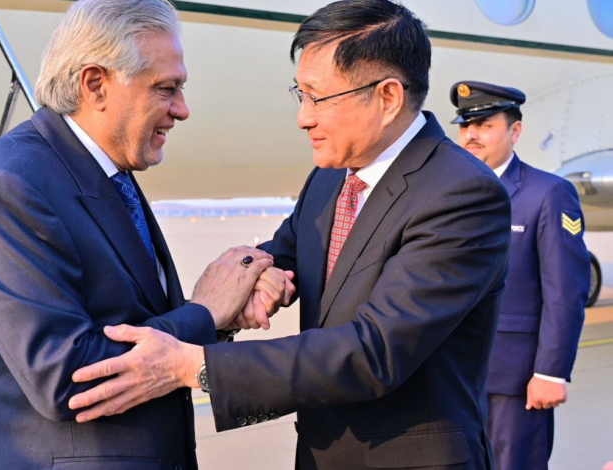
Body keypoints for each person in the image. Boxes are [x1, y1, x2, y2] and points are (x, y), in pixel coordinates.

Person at [66, 1, 513, 469]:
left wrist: (192, 364)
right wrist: (250, 280)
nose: (303, 117)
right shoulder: (332, 175)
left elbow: (376, 351)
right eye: (300, 94)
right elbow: (282, 257)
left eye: (318, 98)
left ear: (387, 98)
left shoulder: (461, 194)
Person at [0, 1, 291, 469]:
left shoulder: (102, 168)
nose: (182, 110)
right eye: (165, 89)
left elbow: (130, 320)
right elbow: (67, 377)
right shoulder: (9, 184)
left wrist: (221, 315)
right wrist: (204, 312)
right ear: (95, 85)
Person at [451, 80, 589, 470]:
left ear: (515, 131)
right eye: (466, 125)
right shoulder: (449, 192)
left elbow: (565, 291)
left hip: (515, 378)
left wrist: (550, 371)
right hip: (451, 374)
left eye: (485, 125)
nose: (472, 135)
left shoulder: (548, 193)